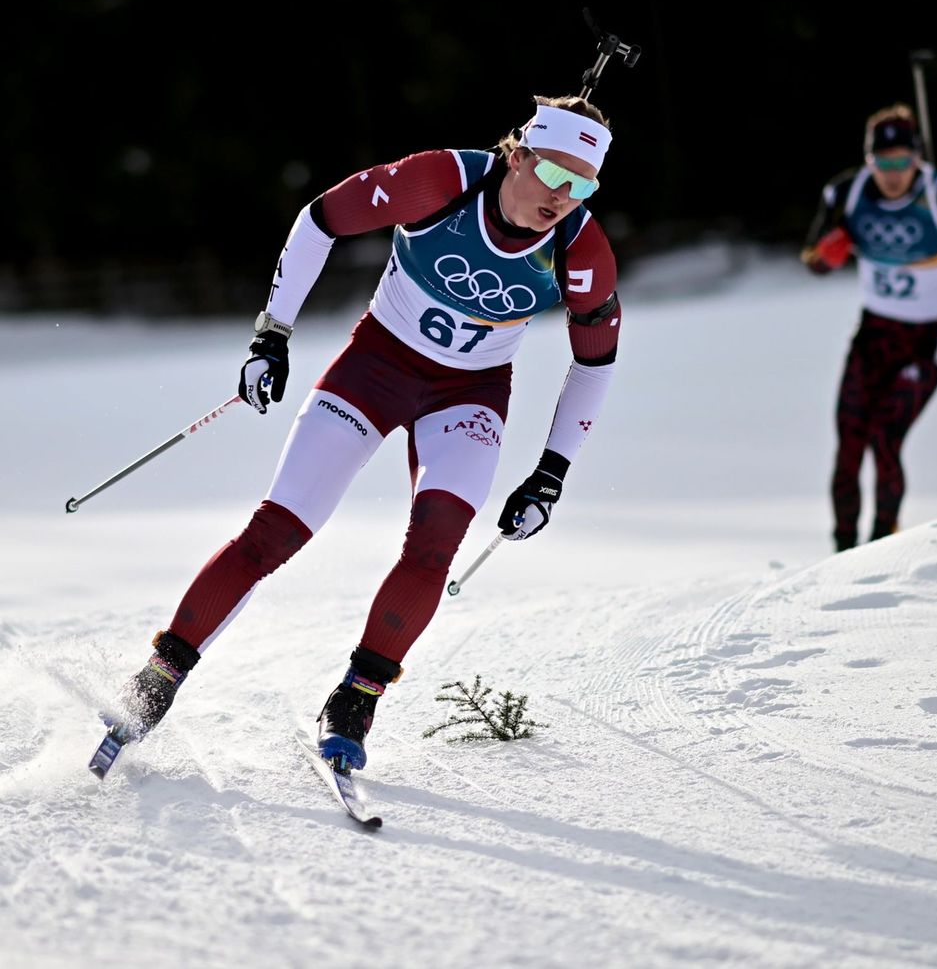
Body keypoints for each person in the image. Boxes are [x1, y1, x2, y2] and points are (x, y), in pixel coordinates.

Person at [105, 95, 623, 773]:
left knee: (436, 543)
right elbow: (320, 218)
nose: (566, 197)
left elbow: (596, 362)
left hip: (469, 394)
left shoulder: (581, 249)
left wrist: (552, 470)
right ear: (518, 155)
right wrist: (273, 333)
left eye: (584, 184)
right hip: (375, 367)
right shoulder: (439, 182)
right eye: (556, 174)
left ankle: (355, 699)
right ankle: (156, 679)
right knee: (276, 532)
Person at [799, 103, 937, 552]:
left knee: (885, 437)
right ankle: (842, 554)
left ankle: (881, 549)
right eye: (883, 163)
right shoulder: (846, 194)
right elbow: (812, 259)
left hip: (930, 338)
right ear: (869, 161)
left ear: (916, 158)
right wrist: (827, 257)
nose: (893, 174)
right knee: (848, 444)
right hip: (875, 334)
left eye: (902, 161)